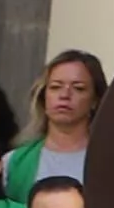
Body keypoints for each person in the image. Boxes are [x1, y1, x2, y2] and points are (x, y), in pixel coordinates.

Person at [26, 47, 104, 186]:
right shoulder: (14, 162)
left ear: (95, 100)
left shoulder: (111, 160)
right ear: (43, 96)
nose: (64, 95)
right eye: (55, 87)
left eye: (78, 88)